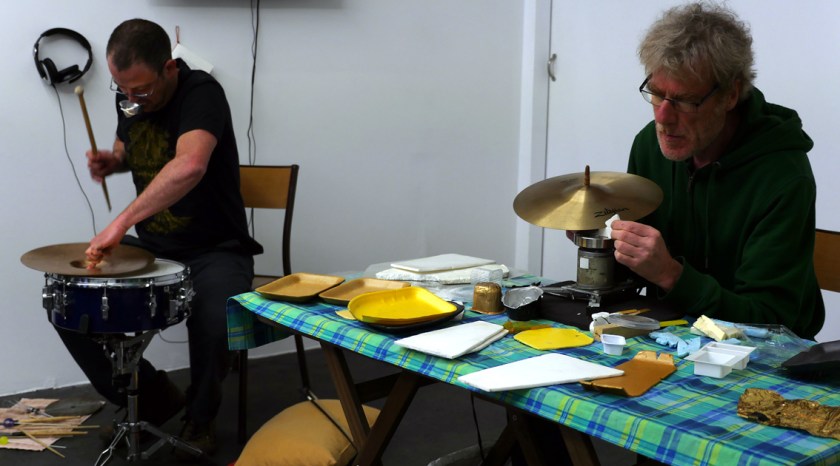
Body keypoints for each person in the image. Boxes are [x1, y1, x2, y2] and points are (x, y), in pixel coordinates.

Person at [53, 18, 261, 457]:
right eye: (122, 89)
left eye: (141, 90)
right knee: (70, 298)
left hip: (216, 246)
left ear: (169, 68)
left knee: (215, 318)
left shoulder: (201, 92)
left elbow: (189, 165)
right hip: (156, 245)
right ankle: (155, 399)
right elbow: (130, 148)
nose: (131, 99)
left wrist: (120, 222)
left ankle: (200, 417)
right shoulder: (131, 98)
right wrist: (113, 162)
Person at [610, 2, 824, 339]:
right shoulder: (649, 146)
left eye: (685, 100)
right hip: (671, 335)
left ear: (730, 95)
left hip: (764, 353)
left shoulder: (783, 176)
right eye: (657, 94)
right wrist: (603, 243)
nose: (663, 118)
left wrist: (671, 274)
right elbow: (636, 275)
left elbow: (771, 321)